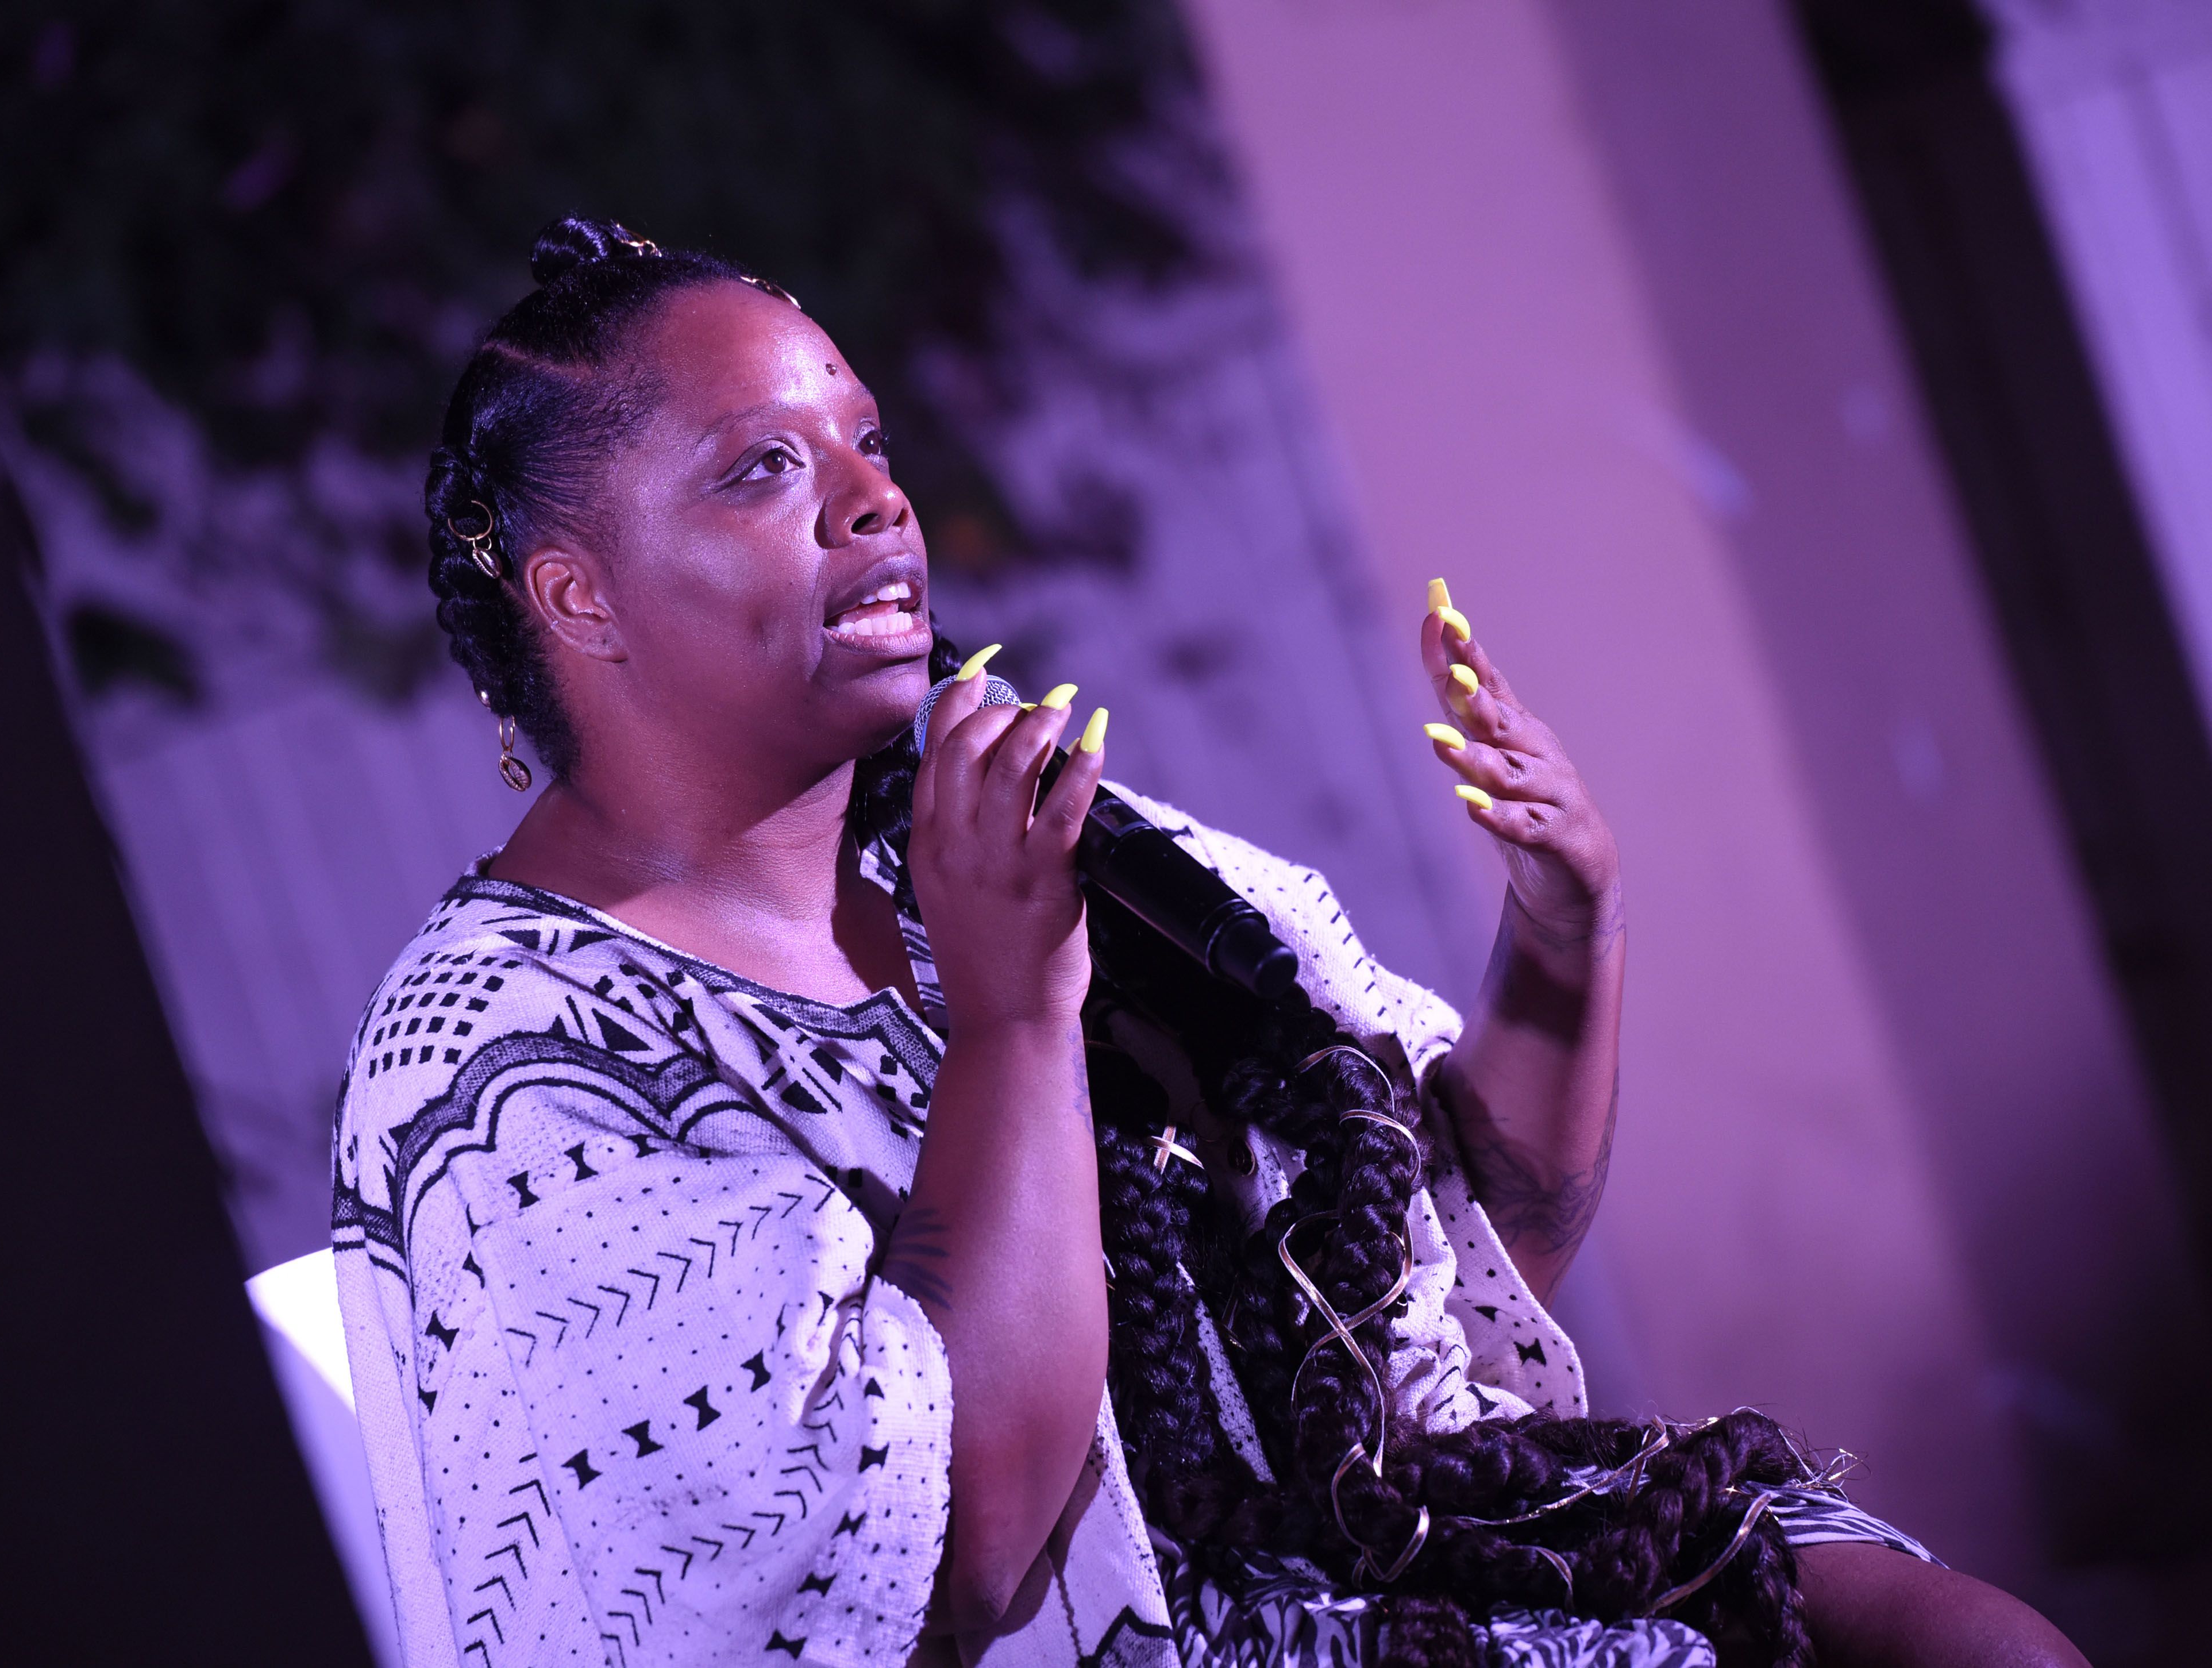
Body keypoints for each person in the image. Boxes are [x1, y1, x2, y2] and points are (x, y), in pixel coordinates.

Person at [331, 218, 2085, 1668]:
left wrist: (1565, 931)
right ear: (575, 594)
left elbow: (1456, 1276)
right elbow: (955, 1558)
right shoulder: (513, 1064)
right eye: (764, 471)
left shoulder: (1013, 823)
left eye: (868, 441)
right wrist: (1014, 1023)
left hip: (1384, 1550)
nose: (876, 504)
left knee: (1970, 1649)